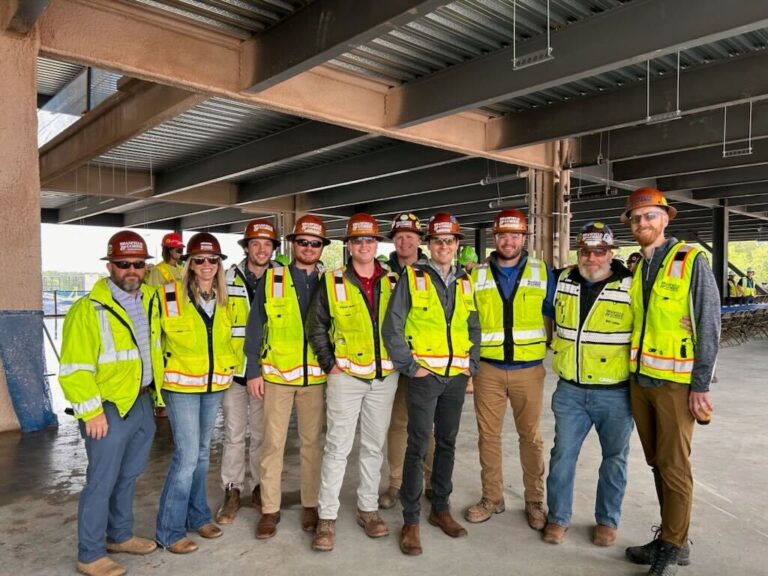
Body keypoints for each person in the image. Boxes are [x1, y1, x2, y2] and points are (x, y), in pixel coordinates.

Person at [620, 187, 720, 575]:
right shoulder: (641, 267)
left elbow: (708, 323)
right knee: (658, 463)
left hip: (677, 385)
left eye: (650, 216)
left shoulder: (691, 259)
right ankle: (668, 536)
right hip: (642, 380)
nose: (643, 223)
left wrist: (701, 384)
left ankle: (675, 546)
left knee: (675, 466)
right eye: (636, 218)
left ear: (665, 218)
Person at [59, 231, 162, 576]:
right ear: (110, 266)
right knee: (101, 481)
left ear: (146, 267)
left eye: (138, 264)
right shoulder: (87, 310)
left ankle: (119, 535)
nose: (131, 270)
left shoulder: (151, 299)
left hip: (143, 402)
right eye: (123, 264)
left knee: (129, 476)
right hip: (108, 409)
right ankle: (89, 554)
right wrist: (91, 412)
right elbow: (74, 369)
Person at [382, 212, 481, 556]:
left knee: (448, 443)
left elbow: (473, 327)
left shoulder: (465, 282)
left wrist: (472, 365)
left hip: (455, 378)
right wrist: (411, 367)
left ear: (457, 245)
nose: (444, 246)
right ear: (430, 245)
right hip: (425, 378)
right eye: (438, 241)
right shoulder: (413, 278)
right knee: (418, 444)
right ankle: (411, 520)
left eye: (449, 241)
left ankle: (440, 507)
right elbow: (391, 329)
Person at [308, 214, 400, 552]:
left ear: (377, 245)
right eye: (358, 240)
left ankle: (368, 509)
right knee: (337, 447)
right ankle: (327, 517)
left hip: (383, 377)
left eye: (370, 240)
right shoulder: (331, 281)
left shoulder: (392, 280)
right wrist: (329, 363)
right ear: (348, 245)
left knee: (374, 447)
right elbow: (316, 325)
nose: (364, 245)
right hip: (345, 376)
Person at [542, 222, 634, 547]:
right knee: (562, 455)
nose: (592, 258)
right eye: (585, 251)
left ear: (611, 253)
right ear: (578, 252)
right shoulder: (562, 280)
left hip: (616, 392)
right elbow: (542, 312)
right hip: (570, 390)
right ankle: (558, 518)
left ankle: (607, 521)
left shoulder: (631, 287)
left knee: (615, 458)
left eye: (600, 252)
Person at [463, 209, 555, 531]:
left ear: (524, 238)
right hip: (487, 370)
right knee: (488, 437)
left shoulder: (542, 272)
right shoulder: (476, 277)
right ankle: (492, 498)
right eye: (503, 234)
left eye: (515, 235)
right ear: (494, 237)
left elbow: (563, 311)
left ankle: (534, 501)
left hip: (529, 370)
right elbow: (465, 322)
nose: (509, 240)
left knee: (530, 438)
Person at [244, 215, 329, 540]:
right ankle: (269, 509)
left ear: (321, 248)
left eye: (315, 243)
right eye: (303, 242)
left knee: (312, 445)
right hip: (277, 376)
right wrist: (254, 371)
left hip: (315, 380)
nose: (308, 248)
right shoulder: (273, 278)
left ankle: (310, 505)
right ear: (293, 244)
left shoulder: (329, 282)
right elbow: (255, 328)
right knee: (272, 444)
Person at [155, 232, 237, 554]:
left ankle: (198, 515)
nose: (206, 265)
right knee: (186, 458)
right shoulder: (168, 295)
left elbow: (232, 339)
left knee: (202, 455)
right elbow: (153, 338)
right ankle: (169, 531)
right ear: (189, 263)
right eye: (199, 259)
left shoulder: (226, 299)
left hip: (214, 385)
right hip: (181, 388)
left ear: (219, 264)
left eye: (212, 260)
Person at [215, 220, 279, 525]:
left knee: (263, 436)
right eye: (256, 244)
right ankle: (232, 490)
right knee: (234, 434)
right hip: (235, 373)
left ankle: (258, 487)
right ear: (246, 247)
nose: (262, 249)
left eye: (267, 245)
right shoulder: (226, 279)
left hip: (270, 372)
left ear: (274, 249)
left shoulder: (284, 278)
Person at [378, 212, 435, 510]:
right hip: (393, 362)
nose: (404, 240)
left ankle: (429, 481)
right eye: (399, 236)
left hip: (426, 363)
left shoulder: (432, 270)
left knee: (426, 426)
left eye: (410, 235)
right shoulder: (381, 272)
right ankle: (396, 484)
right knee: (397, 425)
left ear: (419, 239)